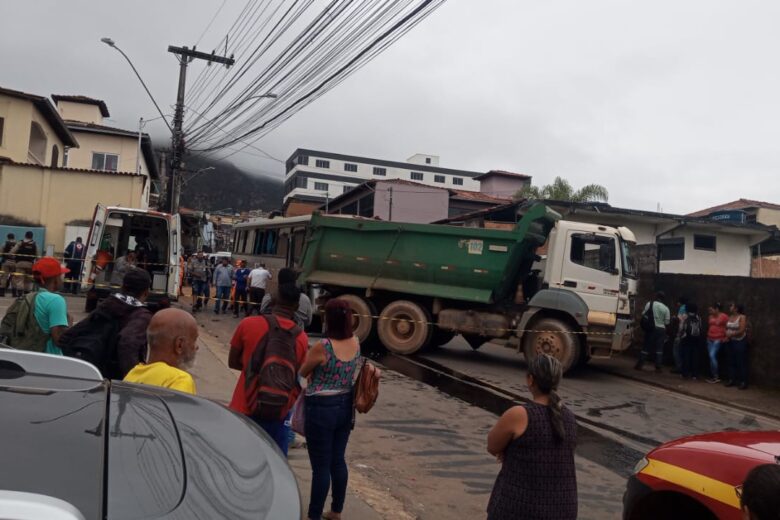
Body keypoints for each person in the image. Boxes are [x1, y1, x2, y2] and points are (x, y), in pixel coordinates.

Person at [486, 354, 577, 520]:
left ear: (530, 380)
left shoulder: (520, 414)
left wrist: (507, 452)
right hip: (563, 510)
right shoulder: (569, 417)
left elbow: (492, 446)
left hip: (519, 508)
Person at [299, 299, 362, 520]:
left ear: (329, 319)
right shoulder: (356, 342)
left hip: (321, 408)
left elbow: (302, 371)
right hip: (345, 405)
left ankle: (314, 515)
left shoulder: (323, 346)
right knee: (338, 460)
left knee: (321, 466)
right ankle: (336, 510)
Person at [228, 281, 308, 454]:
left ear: (273, 300)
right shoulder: (301, 337)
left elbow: (232, 362)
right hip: (279, 412)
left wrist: (256, 369)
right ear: (296, 306)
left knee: (239, 462)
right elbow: (296, 373)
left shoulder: (248, 324)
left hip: (244, 407)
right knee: (274, 467)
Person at [93, 269, 154, 378]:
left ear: (122, 287)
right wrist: (133, 379)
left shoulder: (106, 304)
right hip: (118, 381)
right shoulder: (142, 315)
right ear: (146, 292)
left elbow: (69, 336)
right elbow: (127, 343)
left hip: (94, 371)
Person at [123, 308, 198, 394]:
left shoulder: (132, 375)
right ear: (179, 345)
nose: (196, 347)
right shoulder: (179, 380)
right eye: (194, 340)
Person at [31, 257, 70, 355]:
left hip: (30, 355)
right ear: (55, 279)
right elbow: (60, 340)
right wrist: (69, 323)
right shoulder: (55, 300)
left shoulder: (28, 297)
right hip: (51, 360)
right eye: (61, 275)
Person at [635, 291, 671, 372]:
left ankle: (640, 364)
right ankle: (658, 366)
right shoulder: (666, 308)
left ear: (656, 296)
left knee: (646, 346)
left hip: (651, 328)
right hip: (661, 330)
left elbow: (644, 314)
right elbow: (667, 323)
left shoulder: (650, 304)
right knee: (659, 348)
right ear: (663, 299)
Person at [725, 303, 749, 390]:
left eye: (731, 306)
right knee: (731, 361)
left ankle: (743, 381)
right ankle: (732, 379)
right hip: (730, 341)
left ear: (736, 309)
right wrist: (727, 336)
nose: (730, 307)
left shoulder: (742, 317)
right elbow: (727, 327)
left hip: (739, 341)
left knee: (740, 361)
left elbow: (742, 330)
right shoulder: (730, 317)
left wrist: (731, 335)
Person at [706, 302, 729, 384]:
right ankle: (713, 375)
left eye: (711, 309)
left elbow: (728, 327)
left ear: (717, 309)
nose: (710, 311)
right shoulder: (710, 316)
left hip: (718, 339)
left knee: (712, 355)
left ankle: (716, 376)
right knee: (711, 357)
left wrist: (726, 337)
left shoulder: (724, 317)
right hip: (709, 338)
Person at [679, 303, 702, 380]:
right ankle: (694, 374)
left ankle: (685, 373)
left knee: (686, 356)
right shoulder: (698, 317)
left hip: (686, 338)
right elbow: (700, 327)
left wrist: (680, 335)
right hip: (696, 339)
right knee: (695, 357)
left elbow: (681, 327)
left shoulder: (685, 316)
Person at [11, 231, 38, 295]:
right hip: (30, 264)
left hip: (20, 263)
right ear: (32, 236)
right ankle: (27, 294)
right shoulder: (34, 244)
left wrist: (13, 257)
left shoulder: (20, 243)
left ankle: (20, 295)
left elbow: (12, 251)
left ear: (25, 235)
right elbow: (37, 255)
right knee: (28, 280)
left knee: (19, 279)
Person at [671, 296, 688, 374]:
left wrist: (674, 318)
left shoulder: (682, 308)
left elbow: (680, 321)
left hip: (680, 333)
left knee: (676, 350)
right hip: (686, 334)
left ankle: (678, 367)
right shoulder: (688, 308)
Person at [0, 233, 16, 297]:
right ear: (14, 237)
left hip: (6, 262)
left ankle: (2, 293)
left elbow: (0, 253)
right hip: (15, 262)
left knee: (4, 277)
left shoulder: (5, 244)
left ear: (8, 237)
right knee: (14, 277)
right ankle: (14, 293)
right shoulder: (17, 244)